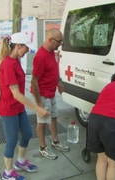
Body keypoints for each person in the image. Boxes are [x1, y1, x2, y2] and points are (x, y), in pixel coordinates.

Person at [0, 32, 49, 180]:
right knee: (11, 140)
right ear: (18, 46)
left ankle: (21, 162)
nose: (27, 51)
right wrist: (37, 108)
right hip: (8, 109)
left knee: (27, 134)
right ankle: (8, 172)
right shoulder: (7, 64)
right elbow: (16, 94)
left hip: (18, 108)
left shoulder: (16, 61)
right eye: (26, 48)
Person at [31, 28, 70, 160]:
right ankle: (43, 148)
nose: (60, 44)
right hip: (42, 94)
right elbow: (34, 81)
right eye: (59, 41)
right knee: (42, 121)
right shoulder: (40, 56)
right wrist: (39, 102)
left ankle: (55, 141)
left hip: (51, 92)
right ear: (50, 40)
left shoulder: (52, 52)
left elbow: (54, 69)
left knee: (53, 117)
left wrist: (58, 81)